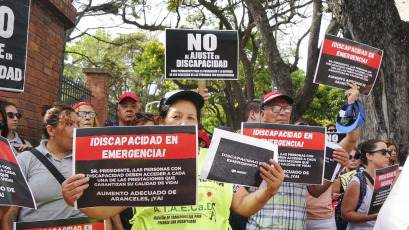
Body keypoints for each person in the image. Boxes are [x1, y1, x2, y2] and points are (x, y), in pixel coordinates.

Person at [61, 90, 285, 230]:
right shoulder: (140, 162)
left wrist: (267, 191)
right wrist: (76, 200)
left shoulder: (217, 158)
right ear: (162, 122)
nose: (184, 122)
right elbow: (106, 211)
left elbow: (243, 206)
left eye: (191, 117)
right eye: (176, 116)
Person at [246, 82, 358, 230]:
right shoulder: (249, 142)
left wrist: (337, 167)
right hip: (260, 226)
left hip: (295, 225)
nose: (282, 112)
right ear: (262, 114)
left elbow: (315, 191)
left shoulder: (304, 145)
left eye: (286, 108)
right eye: (275, 108)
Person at [1, 103, 86, 230]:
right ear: (51, 130)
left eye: (78, 124)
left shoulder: (86, 160)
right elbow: (10, 210)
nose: (77, 129)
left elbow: (101, 207)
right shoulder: (26, 160)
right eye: (69, 124)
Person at [341, 139, 391, 229]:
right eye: (383, 152)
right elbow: (345, 214)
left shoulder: (389, 177)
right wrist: (375, 216)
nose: (388, 156)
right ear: (369, 156)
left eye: (388, 152)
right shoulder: (357, 182)